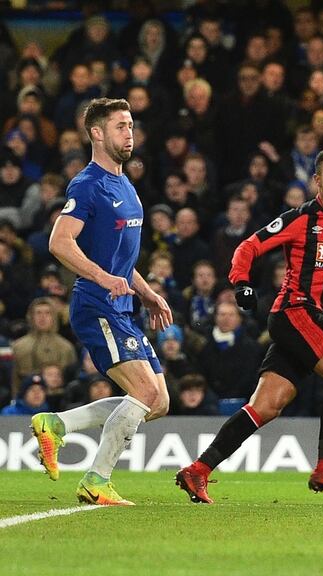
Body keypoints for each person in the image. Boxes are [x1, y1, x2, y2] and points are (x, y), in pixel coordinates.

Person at [175, 148, 323, 504]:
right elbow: (248, 247)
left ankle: (199, 470)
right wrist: (241, 282)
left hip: (314, 321)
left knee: (267, 406)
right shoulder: (300, 219)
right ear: (317, 180)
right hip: (295, 312)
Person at [31, 98, 174, 506]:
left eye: (131, 126)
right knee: (145, 393)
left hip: (123, 308)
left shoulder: (126, 185)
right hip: (96, 306)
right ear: (97, 133)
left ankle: (55, 424)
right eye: (120, 126)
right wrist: (102, 277)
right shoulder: (88, 184)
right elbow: (60, 242)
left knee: (158, 401)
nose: (129, 134)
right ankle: (96, 480)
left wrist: (146, 292)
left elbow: (121, 261)